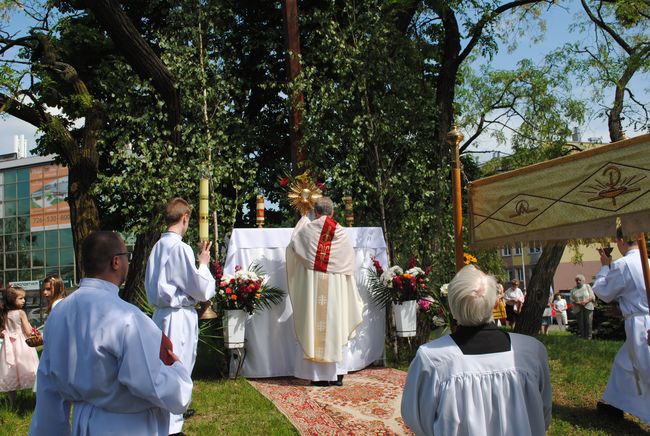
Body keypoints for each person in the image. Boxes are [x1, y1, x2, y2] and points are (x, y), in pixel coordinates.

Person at [29, 231, 192, 435]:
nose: (128, 263)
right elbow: (150, 382)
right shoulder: (127, 317)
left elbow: (48, 386)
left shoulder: (58, 314)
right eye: (127, 257)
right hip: (127, 426)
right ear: (116, 262)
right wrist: (178, 373)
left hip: (83, 422)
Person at [401, 265, 552, 435]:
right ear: (495, 302)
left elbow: (417, 418)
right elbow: (543, 412)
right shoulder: (531, 351)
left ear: (451, 305)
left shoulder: (433, 358)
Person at [145, 197, 216, 434]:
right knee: (179, 367)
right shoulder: (180, 248)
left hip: (160, 315)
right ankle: (173, 426)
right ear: (185, 218)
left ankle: (166, 420)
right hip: (178, 316)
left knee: (164, 367)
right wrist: (203, 264)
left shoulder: (157, 246)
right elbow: (200, 288)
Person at [285, 197, 364, 387]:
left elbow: (294, 247)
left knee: (314, 325)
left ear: (316, 213)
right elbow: (348, 264)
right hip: (336, 290)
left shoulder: (307, 231)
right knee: (336, 326)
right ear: (333, 213)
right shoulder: (341, 233)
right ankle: (337, 375)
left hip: (314, 288)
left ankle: (318, 377)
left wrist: (302, 222)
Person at [592, 228, 650, 425]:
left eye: (617, 241)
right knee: (623, 363)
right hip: (642, 318)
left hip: (640, 325)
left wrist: (604, 268)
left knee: (645, 368)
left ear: (622, 240)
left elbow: (605, 293)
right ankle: (615, 403)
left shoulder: (623, 264)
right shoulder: (648, 261)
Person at [0, 286, 39, 406]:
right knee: (31, 369)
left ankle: (12, 403)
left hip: (8, 346)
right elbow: (27, 332)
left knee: (10, 371)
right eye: (21, 298)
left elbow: (2, 332)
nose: (24, 301)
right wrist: (34, 331)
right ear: (12, 300)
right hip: (22, 344)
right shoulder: (21, 313)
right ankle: (38, 401)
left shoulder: (4, 314)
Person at [570, 274, 596, 339]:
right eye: (576, 280)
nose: (578, 281)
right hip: (578, 307)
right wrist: (577, 303)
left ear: (583, 280)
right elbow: (571, 299)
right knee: (581, 323)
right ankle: (582, 336)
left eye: (579, 280)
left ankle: (589, 337)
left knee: (588, 322)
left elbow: (592, 296)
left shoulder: (587, 286)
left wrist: (585, 301)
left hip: (588, 306)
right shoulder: (574, 289)